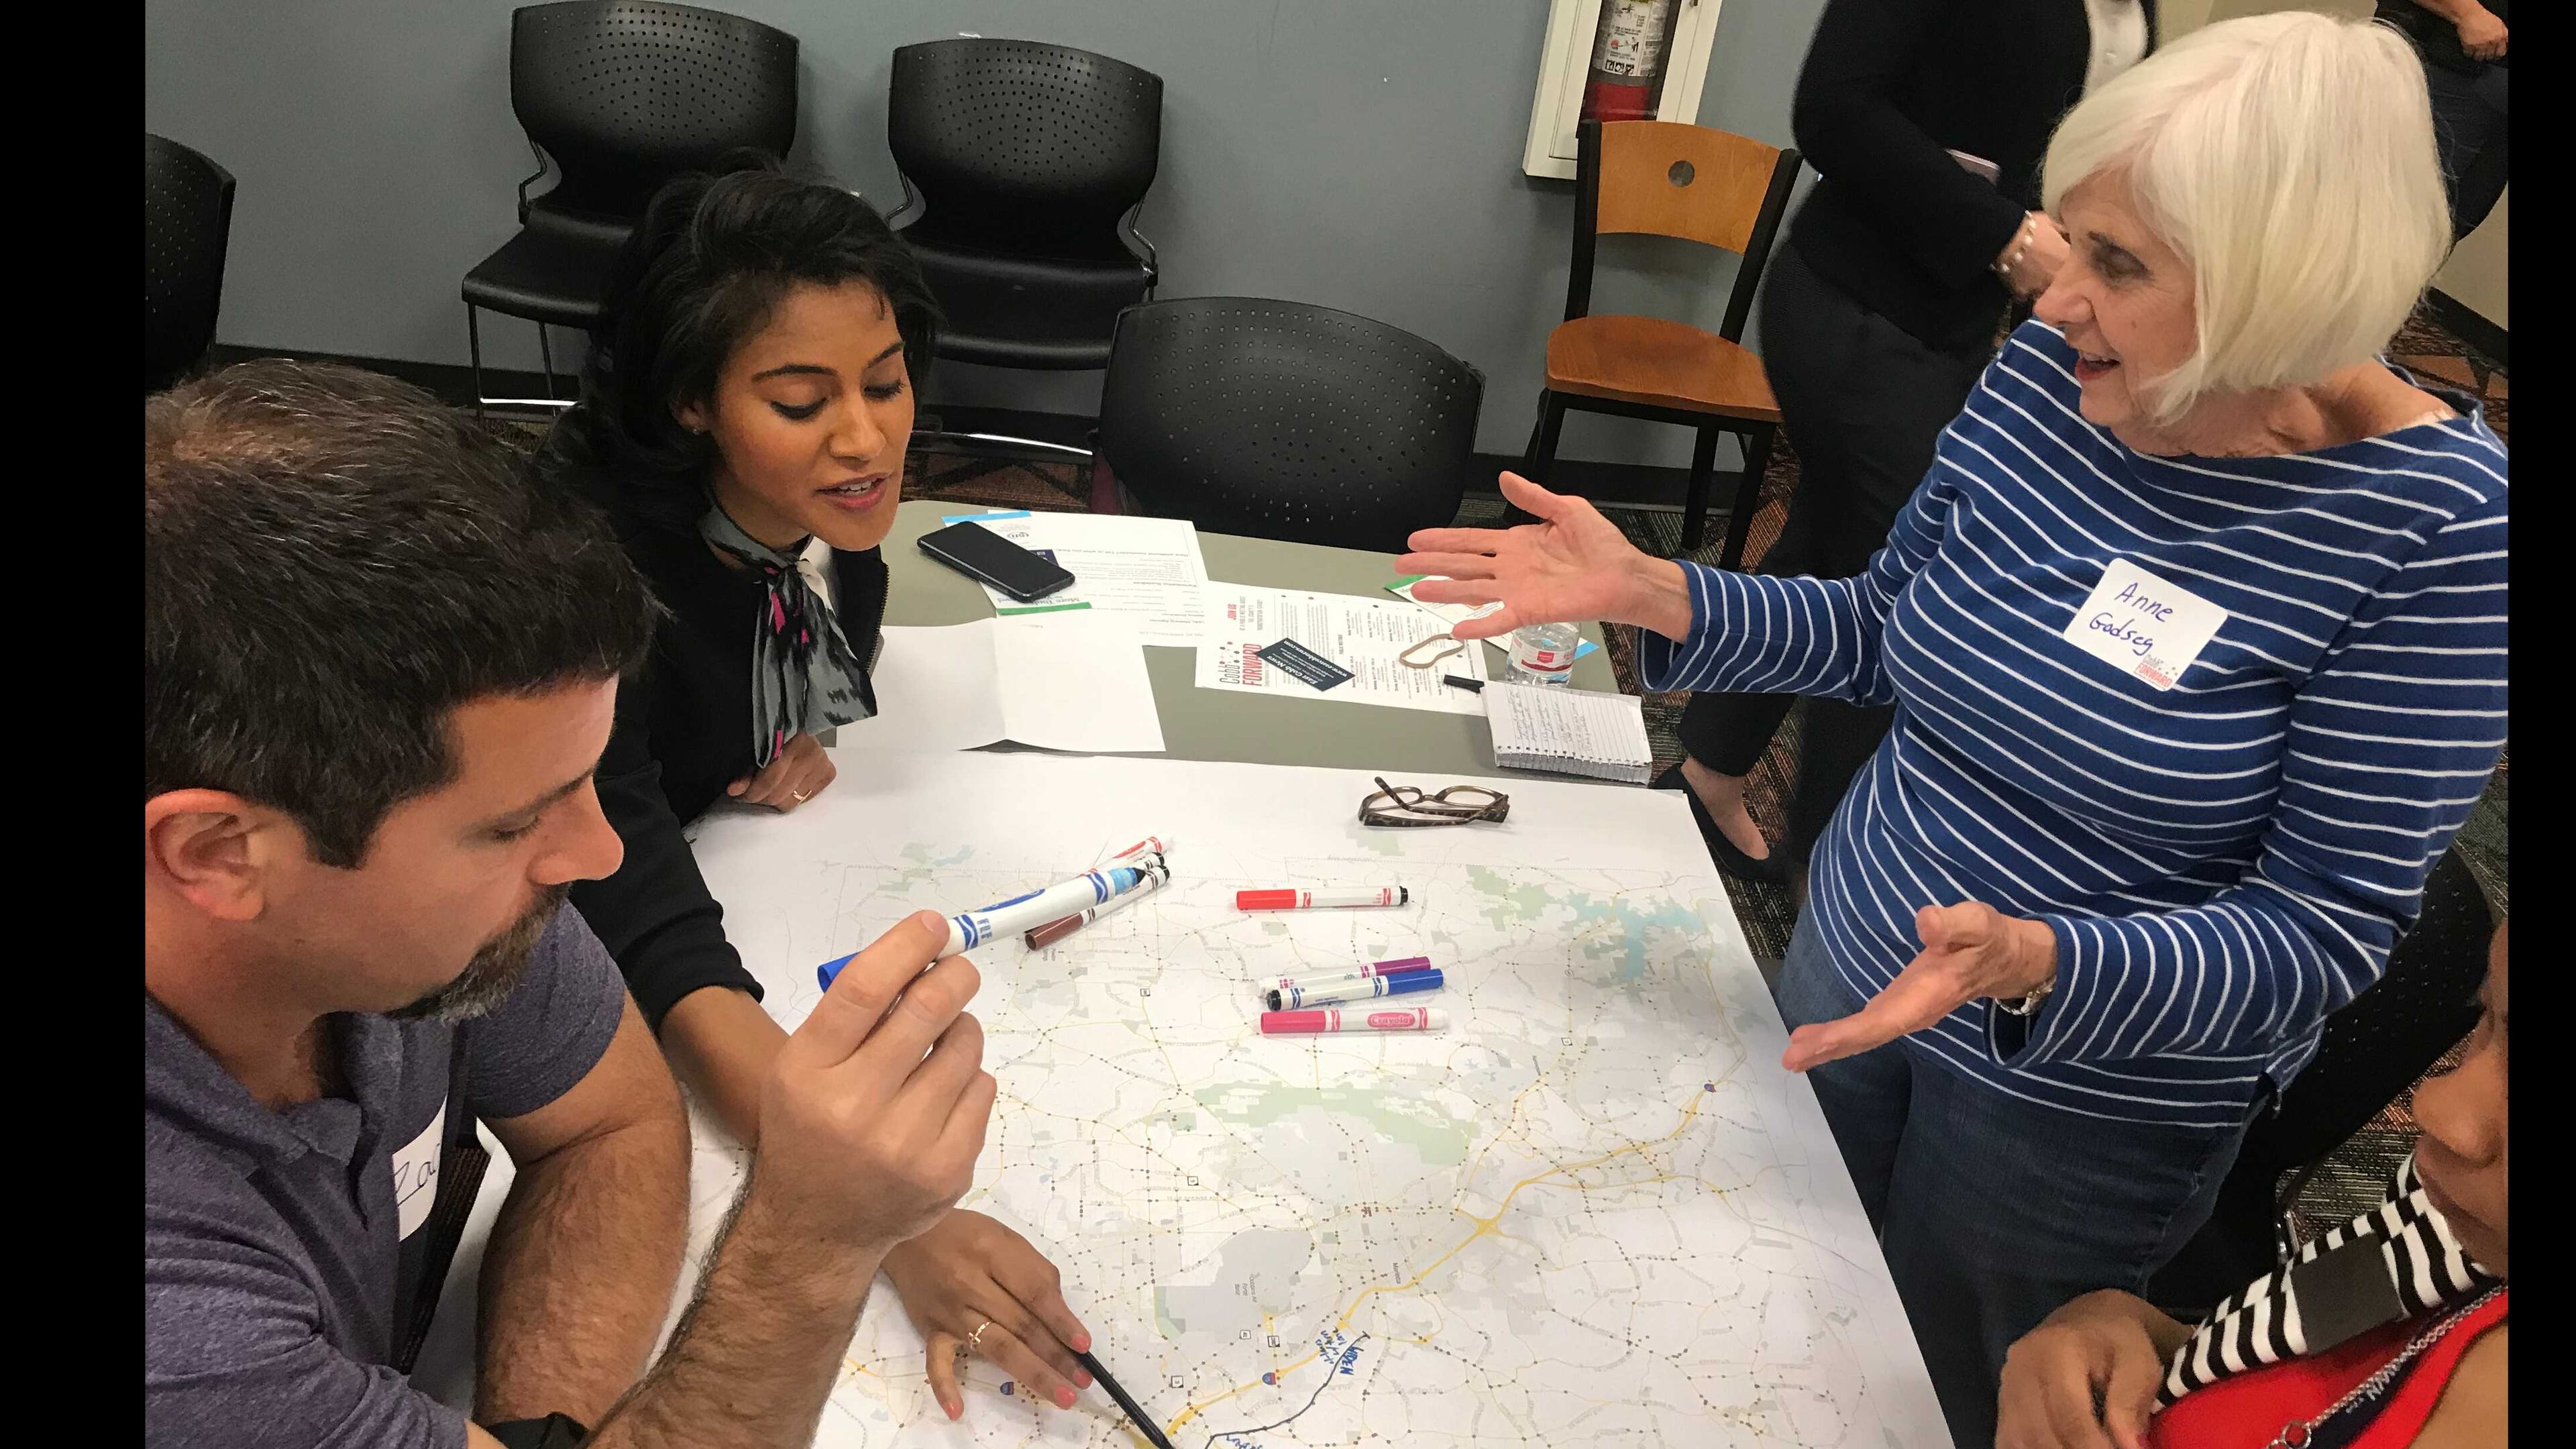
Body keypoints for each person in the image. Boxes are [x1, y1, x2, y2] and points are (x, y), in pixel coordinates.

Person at [1399, 14, 2506, 1443]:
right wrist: (1660, 591)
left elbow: (2328, 929)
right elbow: (1885, 630)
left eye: (2119, 267)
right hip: (1854, 953)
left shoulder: (2440, 536)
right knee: (1759, 1312)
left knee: (1940, 1395)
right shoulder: (2062, 374)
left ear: (2275, 292)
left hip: (2081, 1100)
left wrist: (2043, 960)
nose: (2055, 303)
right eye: (2074, 239)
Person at [146, 360, 1000, 1447]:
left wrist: (543, 1433)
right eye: (513, 824)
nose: (595, 856)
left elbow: (611, 1119)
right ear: (217, 852)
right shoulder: (174, 1347)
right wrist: (811, 1245)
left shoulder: (400, 909)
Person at [541, 160, 1090, 1422]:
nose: (868, 439)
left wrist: (786, 720)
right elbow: (661, 948)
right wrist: (881, 1223)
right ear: (690, 405)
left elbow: (827, 623)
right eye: (801, 401)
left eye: (887, 382)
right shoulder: (585, 600)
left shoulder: (818, 526)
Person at [1659, 0, 2153, 890]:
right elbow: (1833, 109)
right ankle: (1837, 874)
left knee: (1834, 537)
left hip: (1962, 316)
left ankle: (1708, 770)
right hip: (1861, 300)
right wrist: (2002, 233)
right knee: (1906, 588)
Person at [1997, 922, 2506, 1448]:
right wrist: (2132, 1334)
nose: (2436, 1107)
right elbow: (2303, 1334)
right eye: (2490, 1021)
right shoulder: (2455, 1230)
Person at [2376, 0, 2508, 240]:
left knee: (2439, 237)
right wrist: (2467, 13)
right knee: (2384, 224)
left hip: (2493, 86)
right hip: (2440, 65)